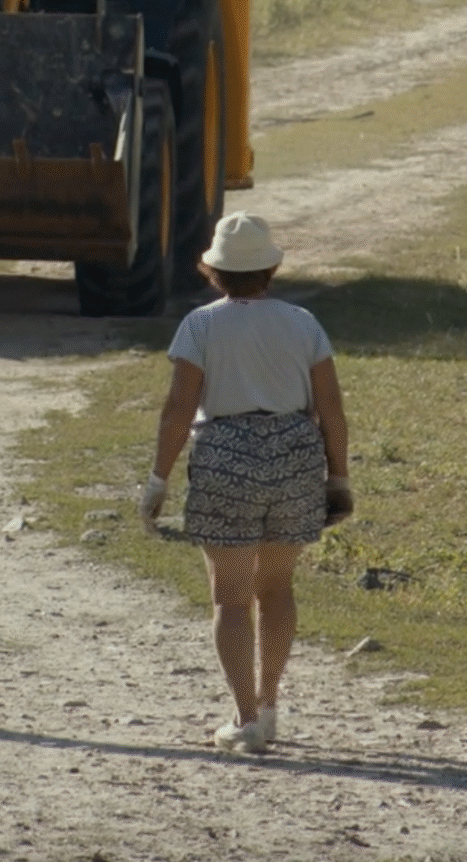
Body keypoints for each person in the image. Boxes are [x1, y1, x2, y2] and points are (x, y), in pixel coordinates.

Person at [138, 212, 352, 754]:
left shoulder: (200, 326)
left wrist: (158, 480)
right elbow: (329, 405)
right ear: (272, 268)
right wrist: (339, 476)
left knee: (230, 599)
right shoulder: (303, 323)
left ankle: (245, 716)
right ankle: (272, 703)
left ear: (212, 272)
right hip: (294, 455)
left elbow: (179, 406)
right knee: (276, 589)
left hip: (227, 455)